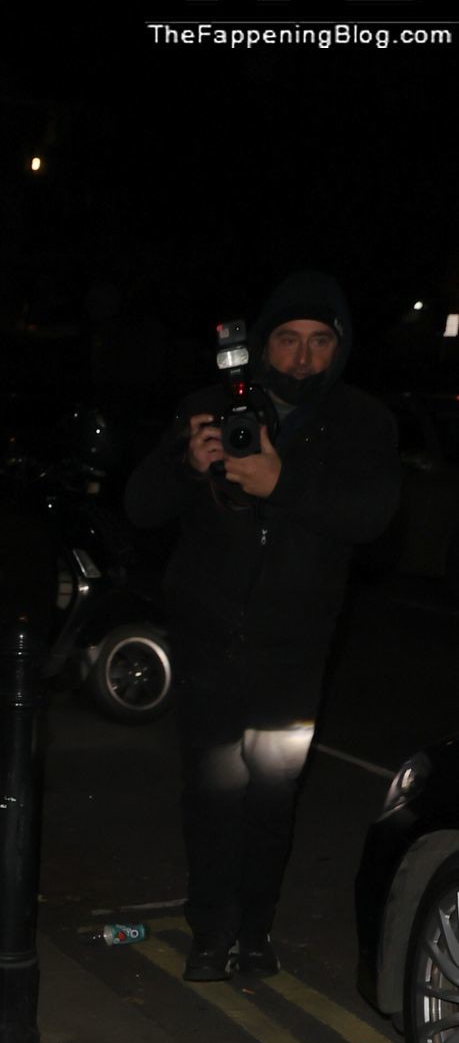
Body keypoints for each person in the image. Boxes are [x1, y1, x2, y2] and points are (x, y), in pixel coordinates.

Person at [125, 271, 399, 981]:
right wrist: (187, 466)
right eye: (287, 339)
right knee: (212, 794)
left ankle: (254, 932)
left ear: (340, 346)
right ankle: (209, 931)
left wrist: (282, 486)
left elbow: (371, 516)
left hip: (296, 652)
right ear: (262, 342)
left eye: (319, 341)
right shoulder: (207, 407)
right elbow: (139, 507)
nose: (302, 358)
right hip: (210, 642)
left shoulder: (362, 420)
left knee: (273, 797)